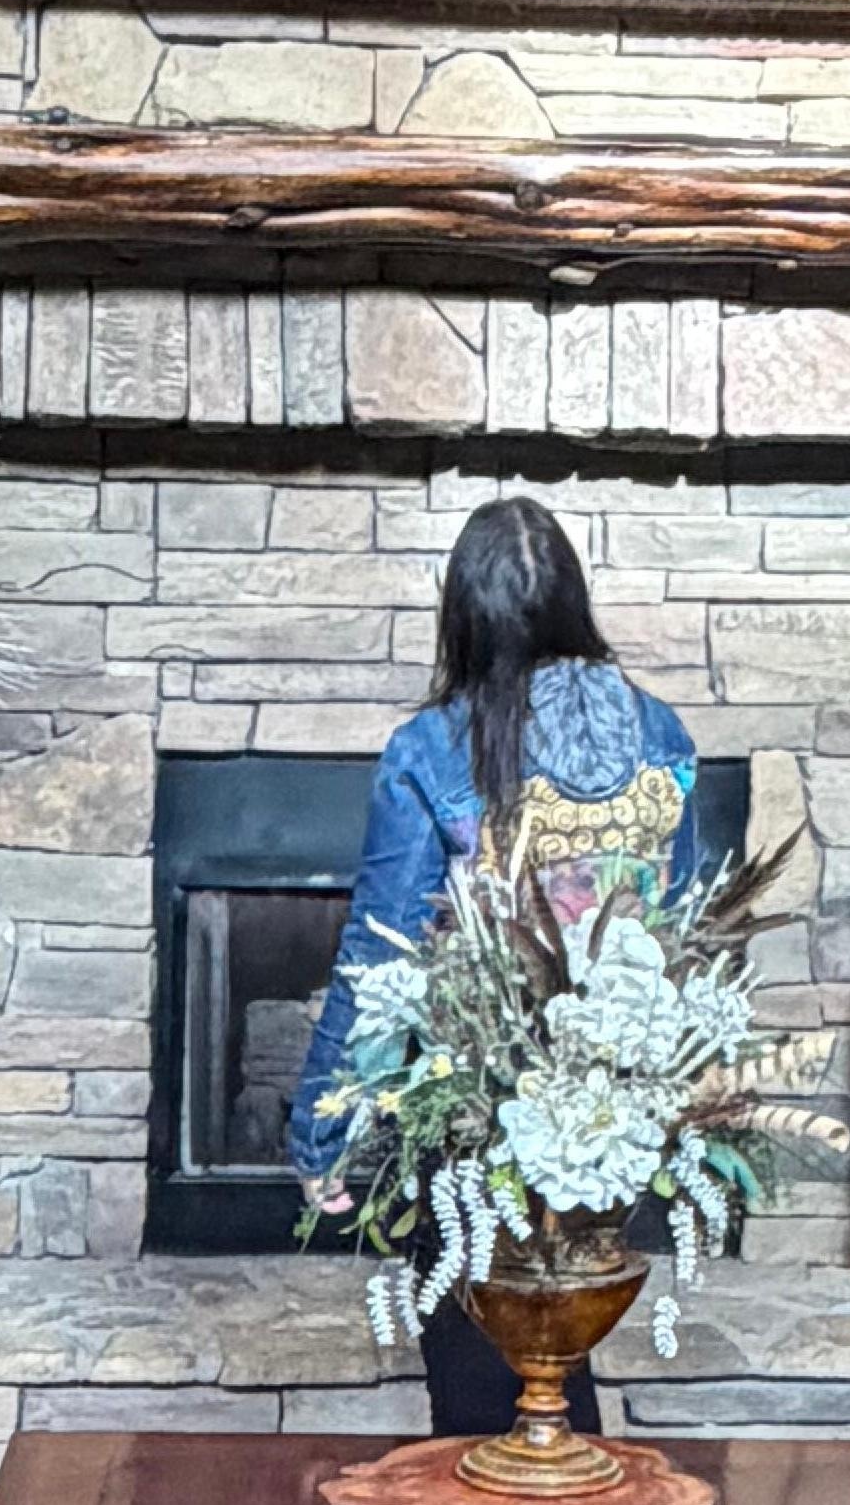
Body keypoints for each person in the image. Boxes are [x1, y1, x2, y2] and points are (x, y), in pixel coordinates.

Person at [286, 495, 697, 1443]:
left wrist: (323, 1135)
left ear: (463, 616)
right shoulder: (664, 737)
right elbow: (682, 934)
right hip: (615, 1113)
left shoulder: (433, 749)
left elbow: (380, 961)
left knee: (481, 1371)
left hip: (476, 1115)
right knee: (562, 1343)